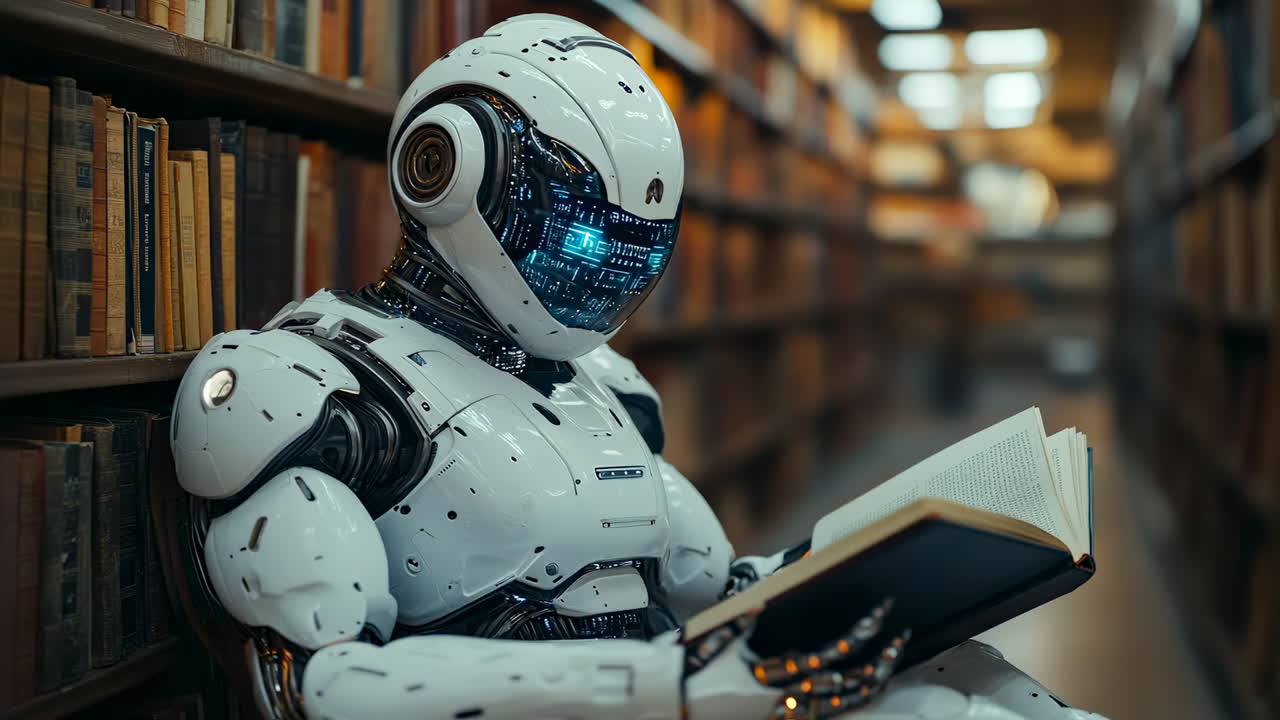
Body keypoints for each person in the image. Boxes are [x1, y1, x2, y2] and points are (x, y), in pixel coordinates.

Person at [170, 13, 1106, 720]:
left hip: (679, 691)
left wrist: (908, 569)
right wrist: (664, 684)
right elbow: (317, 684)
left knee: (970, 681)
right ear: (442, 171)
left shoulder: (604, 387)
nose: (604, 275)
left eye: (632, 249)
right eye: (578, 240)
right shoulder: (307, 387)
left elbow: (718, 588)